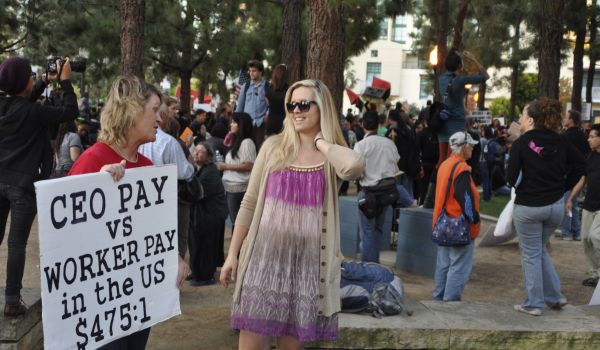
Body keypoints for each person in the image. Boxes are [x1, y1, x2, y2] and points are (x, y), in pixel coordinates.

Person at [220, 79, 364, 348]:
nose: (296, 110)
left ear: (322, 108)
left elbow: (354, 166)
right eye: (291, 104)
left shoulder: (331, 157)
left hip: (306, 267)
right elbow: (249, 202)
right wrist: (232, 254)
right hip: (263, 262)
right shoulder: (273, 147)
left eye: (304, 104)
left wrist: (321, 143)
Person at [69, 76, 189, 348]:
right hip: (101, 306)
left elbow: (155, 229)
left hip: (138, 300)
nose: (161, 119)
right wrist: (94, 188)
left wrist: (176, 256)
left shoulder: (147, 166)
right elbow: (69, 239)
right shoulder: (92, 160)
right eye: (155, 109)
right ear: (132, 110)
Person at [0, 57, 78, 317]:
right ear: (25, 81)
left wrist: (45, 80)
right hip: (23, 185)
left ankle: (10, 298)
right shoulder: (34, 112)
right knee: (16, 244)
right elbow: (70, 112)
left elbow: (20, 101)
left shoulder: (6, 105)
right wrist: (65, 82)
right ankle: (11, 300)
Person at [506, 98, 586, 316]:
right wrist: (563, 186)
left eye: (522, 115)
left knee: (531, 254)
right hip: (555, 207)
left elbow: (511, 178)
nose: (520, 119)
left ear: (530, 120)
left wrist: (525, 184)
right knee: (538, 250)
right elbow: (582, 165)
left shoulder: (521, 143)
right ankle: (554, 296)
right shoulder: (561, 141)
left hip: (530, 207)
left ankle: (534, 303)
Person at [139, 102, 195, 259]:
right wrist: (191, 166)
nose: (175, 113)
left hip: (148, 201)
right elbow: (185, 172)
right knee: (175, 240)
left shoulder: (143, 142)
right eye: (173, 109)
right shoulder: (168, 142)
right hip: (169, 199)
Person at [432, 131, 481, 302]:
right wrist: (474, 218)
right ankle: (450, 305)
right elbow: (465, 199)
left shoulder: (445, 165)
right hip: (459, 225)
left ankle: (438, 301)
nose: (473, 149)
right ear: (463, 147)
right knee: (458, 267)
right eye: (471, 145)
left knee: (444, 265)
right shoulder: (461, 168)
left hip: (443, 223)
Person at [354, 111, 405, 263]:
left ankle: (369, 267)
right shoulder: (389, 143)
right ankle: (374, 264)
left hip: (368, 193)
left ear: (363, 125)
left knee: (368, 232)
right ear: (379, 124)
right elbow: (396, 166)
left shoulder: (361, 145)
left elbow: (356, 171)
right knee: (377, 229)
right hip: (386, 193)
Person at [437, 49, 489, 166]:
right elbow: (485, 76)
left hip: (443, 122)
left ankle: (437, 183)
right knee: (453, 159)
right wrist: (473, 58)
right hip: (456, 122)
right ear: (459, 65)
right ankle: (449, 183)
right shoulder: (460, 80)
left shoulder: (441, 79)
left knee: (442, 160)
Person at [188, 142, 228, 286]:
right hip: (202, 214)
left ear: (209, 156)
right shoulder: (200, 169)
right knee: (196, 244)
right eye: (195, 151)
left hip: (211, 215)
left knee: (206, 246)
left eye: (200, 151)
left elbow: (198, 193)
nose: (196, 153)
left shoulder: (210, 172)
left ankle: (205, 276)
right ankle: (197, 272)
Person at [566, 124, 600, 287]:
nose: (589, 139)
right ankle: (595, 274)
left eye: (593, 136)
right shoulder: (591, 157)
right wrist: (571, 198)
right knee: (585, 239)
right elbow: (583, 179)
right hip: (589, 204)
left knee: (596, 236)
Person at [217, 112, 256, 229]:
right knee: (236, 223)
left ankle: (239, 247)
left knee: (239, 225)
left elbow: (248, 165)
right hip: (231, 189)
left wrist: (225, 166)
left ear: (241, 125)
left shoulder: (247, 142)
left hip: (239, 189)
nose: (231, 125)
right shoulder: (237, 142)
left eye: (234, 122)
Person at [560, 110, 591, 240]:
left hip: (569, 174)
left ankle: (567, 232)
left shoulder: (566, 136)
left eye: (566, 117)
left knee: (567, 202)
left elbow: (563, 156)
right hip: (582, 173)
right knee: (574, 203)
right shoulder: (583, 135)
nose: (564, 119)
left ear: (571, 120)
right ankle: (576, 232)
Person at [235, 59, 269, 150]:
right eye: (250, 71)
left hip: (260, 125)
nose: (251, 73)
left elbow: (272, 104)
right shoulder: (245, 86)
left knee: (259, 150)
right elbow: (239, 107)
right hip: (246, 125)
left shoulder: (267, 86)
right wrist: (236, 122)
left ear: (260, 71)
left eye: (254, 71)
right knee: (245, 148)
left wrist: (267, 115)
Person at [265, 63, 289, 136]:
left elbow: (268, 103)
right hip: (284, 124)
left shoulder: (269, 90)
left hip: (271, 123)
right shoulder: (289, 90)